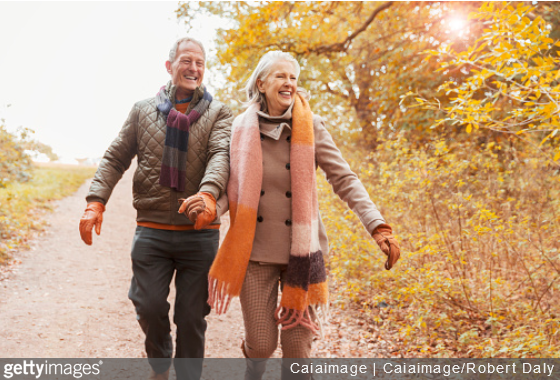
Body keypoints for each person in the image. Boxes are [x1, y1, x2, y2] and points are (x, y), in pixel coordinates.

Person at [187, 51, 400, 379]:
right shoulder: (241, 128)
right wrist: (209, 203)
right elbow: (230, 183)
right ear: (261, 82)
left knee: (298, 351)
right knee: (261, 345)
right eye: (280, 76)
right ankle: (252, 366)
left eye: (293, 78)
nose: (289, 83)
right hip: (255, 252)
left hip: (303, 253)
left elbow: (344, 178)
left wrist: (377, 225)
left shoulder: (311, 126)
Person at [78, 37, 233, 380]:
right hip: (152, 230)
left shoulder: (220, 112)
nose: (194, 68)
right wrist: (95, 201)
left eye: (200, 63)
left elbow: (220, 156)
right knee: (148, 306)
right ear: (170, 66)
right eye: (186, 61)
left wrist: (208, 196)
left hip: (199, 234)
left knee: (192, 317)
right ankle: (160, 363)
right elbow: (116, 156)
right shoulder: (142, 110)